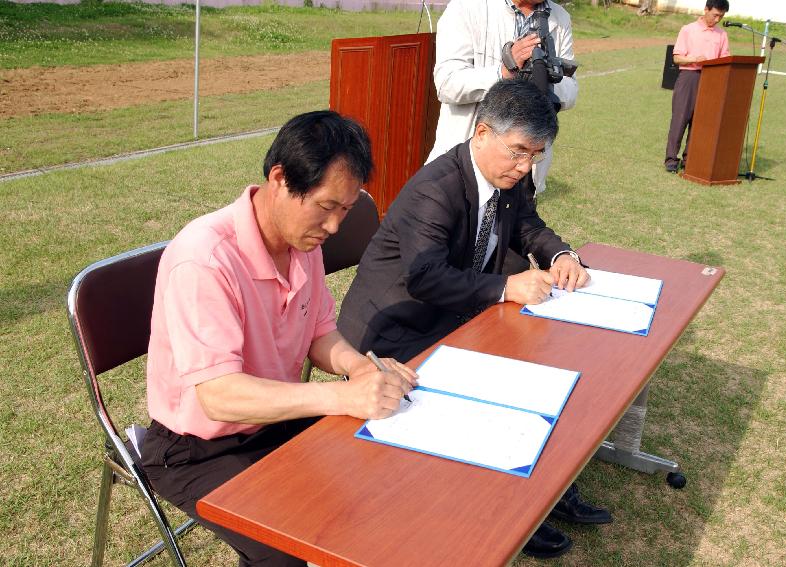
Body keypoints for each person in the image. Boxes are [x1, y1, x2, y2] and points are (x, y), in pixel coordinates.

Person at [337, 80, 611, 560]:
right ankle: (505, 510)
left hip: (455, 313)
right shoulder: (435, 187)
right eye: (518, 153)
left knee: (536, 369)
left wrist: (562, 254)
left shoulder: (508, 174)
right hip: (396, 328)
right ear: (482, 132)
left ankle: (539, 495)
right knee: (493, 391)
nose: (526, 167)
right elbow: (425, 278)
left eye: (537, 156)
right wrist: (506, 287)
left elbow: (527, 224)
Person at [139, 111, 418, 567]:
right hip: (198, 449)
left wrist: (358, 366)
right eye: (326, 207)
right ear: (280, 180)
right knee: (290, 549)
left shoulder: (301, 243)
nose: (333, 227)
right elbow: (219, 398)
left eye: (344, 211)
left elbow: (320, 332)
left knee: (377, 480)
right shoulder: (204, 260)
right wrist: (343, 397)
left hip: (275, 423)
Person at [426, 0, 578, 194]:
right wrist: (504, 71)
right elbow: (447, 83)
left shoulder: (560, 17)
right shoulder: (466, 7)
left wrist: (543, 80)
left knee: (513, 223)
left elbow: (571, 88)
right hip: (469, 164)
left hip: (525, 172)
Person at [664, 0, 731, 173]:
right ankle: (671, 159)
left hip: (711, 79)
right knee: (680, 119)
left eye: (721, 16)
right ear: (706, 9)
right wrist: (695, 59)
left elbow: (725, 59)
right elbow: (677, 58)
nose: (717, 19)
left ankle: (690, 160)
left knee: (700, 122)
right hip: (689, 77)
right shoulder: (688, 30)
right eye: (715, 15)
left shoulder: (722, 35)